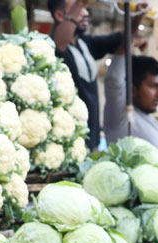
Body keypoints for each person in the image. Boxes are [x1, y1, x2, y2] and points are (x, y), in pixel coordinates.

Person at [48, 0, 146, 151]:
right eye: (77, 8)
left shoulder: (85, 43)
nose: (86, 13)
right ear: (59, 15)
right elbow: (59, 45)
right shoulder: (50, 47)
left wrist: (138, 15)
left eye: (85, 8)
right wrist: (79, 3)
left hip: (92, 138)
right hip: (69, 142)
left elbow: (122, 39)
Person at [104, 53, 158, 171]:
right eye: (153, 86)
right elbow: (114, 79)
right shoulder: (121, 117)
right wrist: (127, 44)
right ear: (133, 89)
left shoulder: (150, 120)